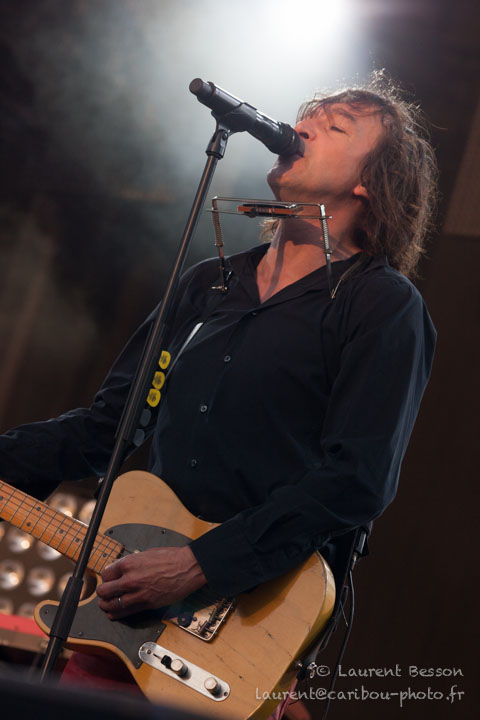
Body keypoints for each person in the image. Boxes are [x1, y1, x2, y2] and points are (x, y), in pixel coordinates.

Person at [0, 72, 437, 715]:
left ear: (370, 181)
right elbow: (109, 426)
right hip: (120, 628)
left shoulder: (381, 305)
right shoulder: (207, 285)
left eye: (335, 126)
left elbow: (357, 479)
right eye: (305, 116)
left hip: (244, 632)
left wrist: (201, 564)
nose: (302, 127)